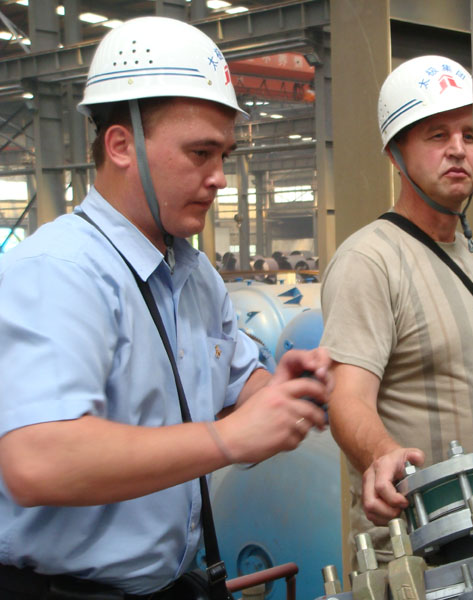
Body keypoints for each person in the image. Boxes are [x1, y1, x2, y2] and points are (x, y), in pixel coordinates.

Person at [0, 17, 330, 599]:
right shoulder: (60, 272)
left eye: (224, 154)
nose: (219, 178)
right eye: (200, 153)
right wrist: (227, 440)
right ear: (121, 145)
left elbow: (238, 383)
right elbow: (37, 461)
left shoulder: (195, 275)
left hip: (171, 583)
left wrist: (281, 391)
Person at [320, 55, 473, 564]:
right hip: (422, 550)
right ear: (396, 153)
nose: (458, 148)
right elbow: (346, 397)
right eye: (437, 135)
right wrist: (380, 454)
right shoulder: (370, 259)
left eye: (470, 135)